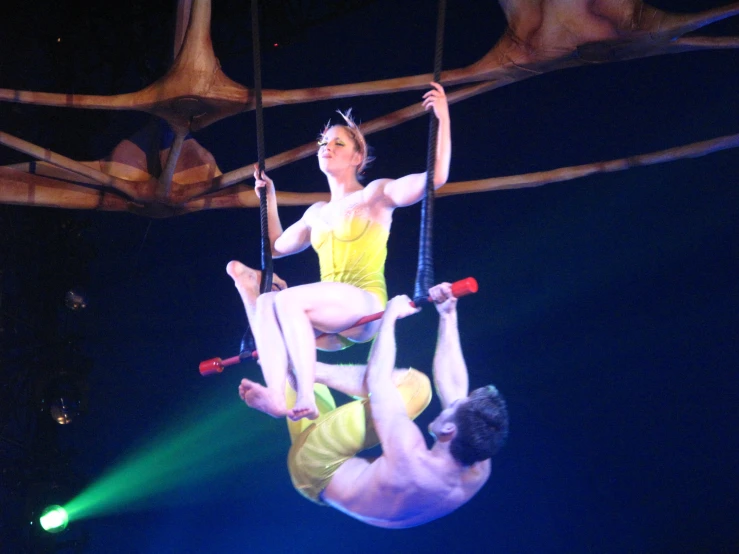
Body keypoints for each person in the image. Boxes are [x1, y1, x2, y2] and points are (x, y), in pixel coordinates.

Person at [232, 82, 451, 421]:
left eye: (338, 142)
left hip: (365, 306)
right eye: (323, 142)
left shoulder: (374, 195)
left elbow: (435, 178)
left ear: (357, 156)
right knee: (265, 302)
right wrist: (269, 197)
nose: (327, 147)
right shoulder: (316, 213)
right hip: (329, 325)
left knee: (286, 300)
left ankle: (303, 395)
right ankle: (277, 394)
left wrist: (443, 116)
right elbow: (276, 246)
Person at [233, 268, 509, 528]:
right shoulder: (479, 461)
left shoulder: (409, 457)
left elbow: (379, 381)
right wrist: (448, 315)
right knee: (302, 385)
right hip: (315, 481)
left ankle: (300, 369)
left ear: (449, 430)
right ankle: (262, 310)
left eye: (454, 407)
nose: (453, 400)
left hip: (318, 464)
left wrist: (389, 317)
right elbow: (456, 391)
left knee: (414, 387)